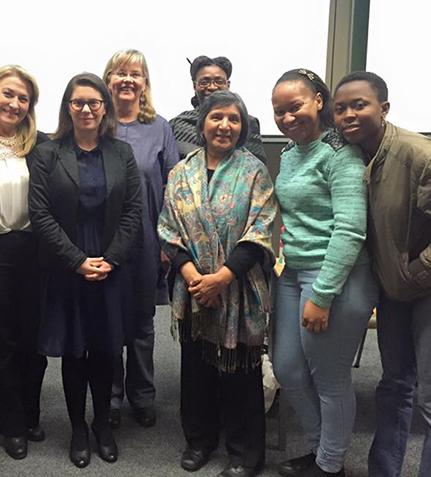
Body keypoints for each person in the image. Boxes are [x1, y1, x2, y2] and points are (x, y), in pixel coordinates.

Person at [333, 71, 431, 477]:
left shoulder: (420, 156)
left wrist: (418, 273)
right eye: (340, 108)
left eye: (359, 105)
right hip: (397, 290)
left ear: (384, 109)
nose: (348, 114)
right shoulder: (352, 156)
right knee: (394, 387)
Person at [158, 90, 276, 477]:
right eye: (217, 117)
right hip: (192, 290)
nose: (225, 125)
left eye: (234, 119)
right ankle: (200, 440)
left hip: (237, 289)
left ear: (242, 127)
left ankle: (245, 453)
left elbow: (260, 231)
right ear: (203, 123)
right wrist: (193, 276)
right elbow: (168, 229)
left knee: (240, 373)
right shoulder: (181, 172)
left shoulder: (254, 170)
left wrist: (221, 278)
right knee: (196, 370)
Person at [28, 72, 142, 468]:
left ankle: (102, 425)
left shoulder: (121, 154)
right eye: (78, 102)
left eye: (94, 102)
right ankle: (78, 427)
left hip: (111, 265)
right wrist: (77, 260)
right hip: (67, 266)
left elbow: (132, 212)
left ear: (105, 108)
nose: (87, 109)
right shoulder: (47, 153)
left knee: (107, 349)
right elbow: (39, 215)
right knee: (75, 353)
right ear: (68, 107)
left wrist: (110, 259)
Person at [270, 68, 379, 477]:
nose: (286, 117)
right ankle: (319, 451)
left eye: (294, 106)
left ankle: (330, 465)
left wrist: (322, 294)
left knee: (329, 379)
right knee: (288, 369)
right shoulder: (288, 152)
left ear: (318, 101)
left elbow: (350, 229)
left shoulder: (340, 153)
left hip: (336, 276)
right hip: (293, 271)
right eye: (279, 111)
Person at [102, 49, 180, 429]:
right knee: (109, 321)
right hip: (102, 242)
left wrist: (169, 242)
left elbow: (174, 188)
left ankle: (142, 395)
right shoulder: (96, 124)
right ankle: (111, 398)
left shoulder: (160, 127)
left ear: (145, 83)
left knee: (142, 323)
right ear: (108, 80)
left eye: (136, 73)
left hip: (148, 242)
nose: (128, 79)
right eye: (120, 73)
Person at [0, 65, 50, 460]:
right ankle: (11, 424)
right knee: (3, 342)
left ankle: (32, 414)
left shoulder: (39, 144)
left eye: (23, 99)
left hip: (35, 253)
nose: (15, 104)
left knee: (34, 342)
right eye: (8, 94)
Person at [169, 55, 267, 162]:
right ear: (194, 86)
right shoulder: (178, 125)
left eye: (219, 81)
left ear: (228, 85)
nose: (212, 87)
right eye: (204, 82)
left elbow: (257, 169)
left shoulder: (247, 123)